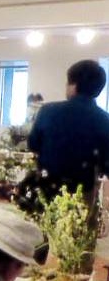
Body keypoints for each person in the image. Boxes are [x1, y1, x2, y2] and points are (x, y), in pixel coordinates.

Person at [28, 60, 109, 199]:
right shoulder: (104, 120)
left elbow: (33, 144)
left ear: (74, 85)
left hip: (46, 189)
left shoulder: (48, 111)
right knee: (79, 214)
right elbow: (106, 165)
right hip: (82, 194)